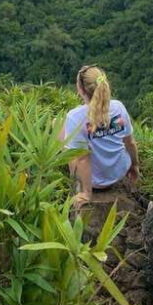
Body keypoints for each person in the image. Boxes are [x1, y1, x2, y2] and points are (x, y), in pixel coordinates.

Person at [62, 64, 140, 207]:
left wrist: (87, 193)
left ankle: (77, 184)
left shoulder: (75, 117)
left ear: (81, 90)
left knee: (60, 130)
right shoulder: (118, 107)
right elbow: (130, 143)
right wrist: (134, 166)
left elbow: (82, 158)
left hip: (95, 182)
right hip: (120, 172)